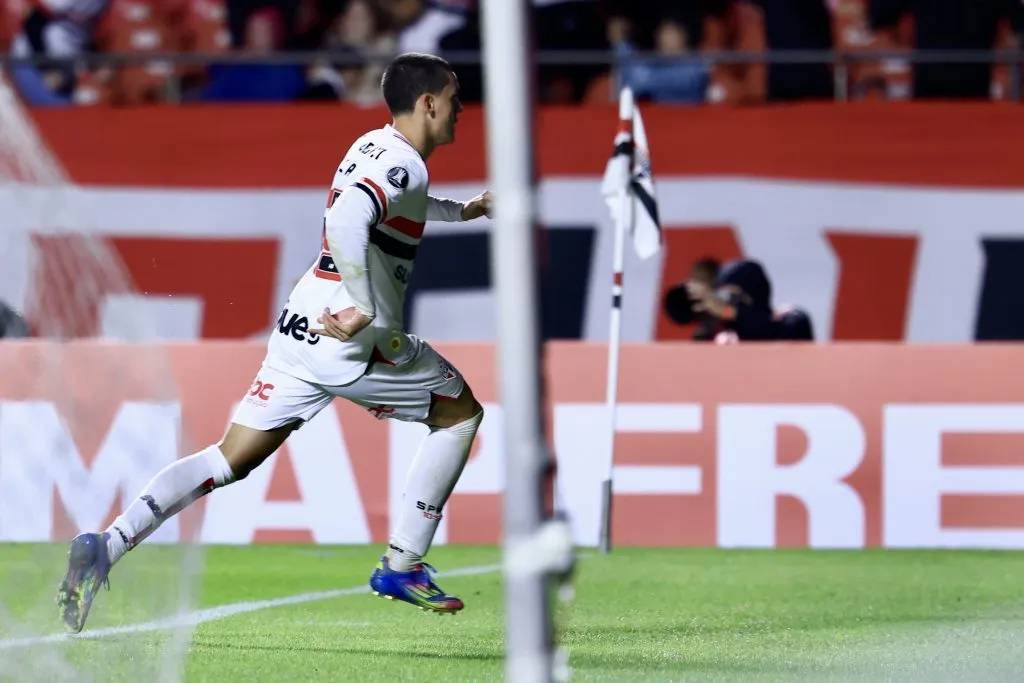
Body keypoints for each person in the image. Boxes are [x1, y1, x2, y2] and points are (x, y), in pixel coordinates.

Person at [56, 53, 493, 633]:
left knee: (228, 458)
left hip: (301, 324)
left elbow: (393, 205)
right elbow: (348, 221)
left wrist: (463, 211)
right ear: (429, 103)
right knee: (460, 414)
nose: (461, 108)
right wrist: (364, 305)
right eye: (455, 97)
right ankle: (403, 564)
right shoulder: (403, 165)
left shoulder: (376, 146)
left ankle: (107, 544)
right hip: (350, 337)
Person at [685, 258, 814, 341]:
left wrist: (728, 313)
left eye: (736, 296)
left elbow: (765, 330)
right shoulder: (723, 333)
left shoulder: (793, 320)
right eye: (724, 296)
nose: (730, 302)